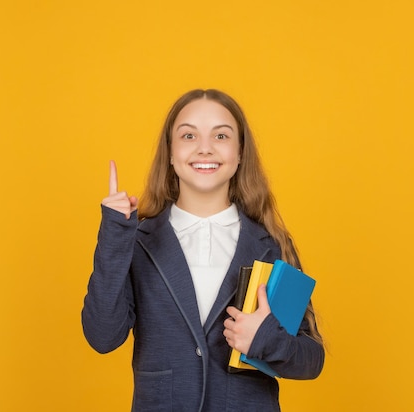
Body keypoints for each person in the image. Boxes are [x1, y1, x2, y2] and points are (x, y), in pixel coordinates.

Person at [82, 89, 324, 412]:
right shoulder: (138, 240)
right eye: (189, 135)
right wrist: (114, 236)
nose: (205, 148)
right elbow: (102, 336)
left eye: (221, 135)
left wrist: (267, 338)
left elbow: (312, 359)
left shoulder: (270, 245)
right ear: (170, 153)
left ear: (240, 154)